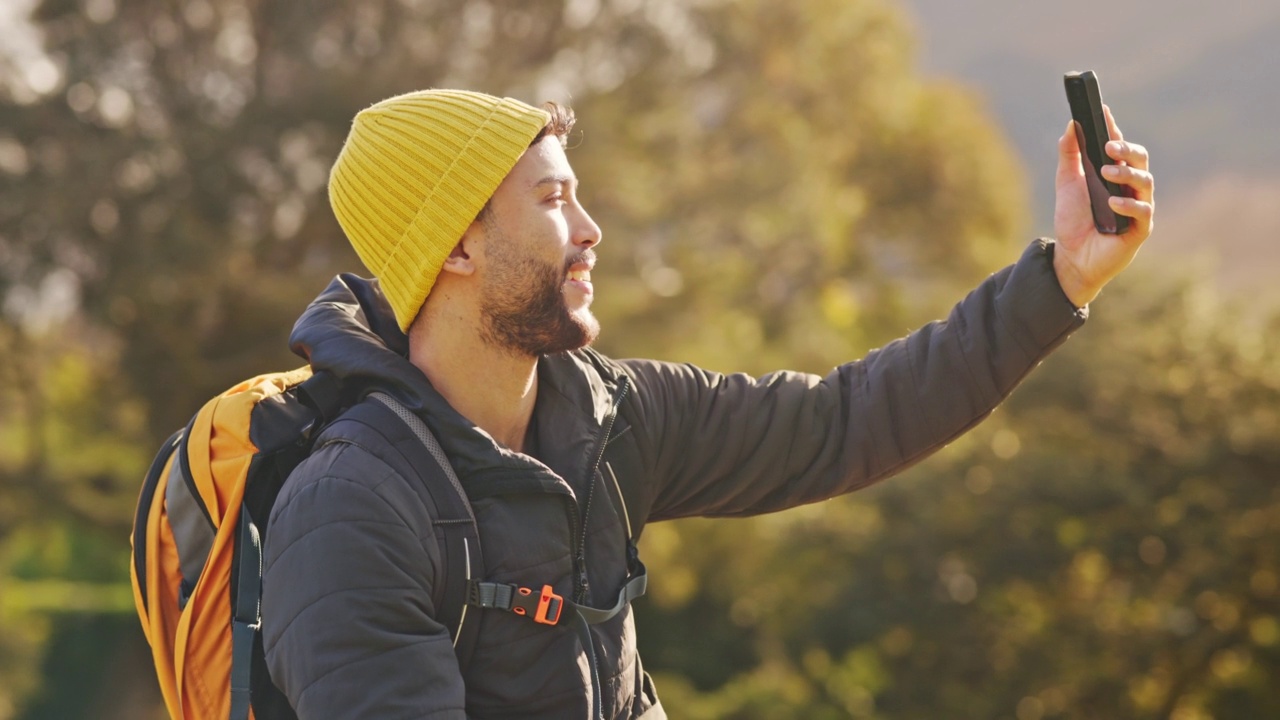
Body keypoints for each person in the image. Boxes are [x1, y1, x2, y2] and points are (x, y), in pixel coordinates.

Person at [261, 88, 1154, 719]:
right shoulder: (347, 513)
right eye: (553, 199)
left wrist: (1063, 279)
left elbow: (848, 419)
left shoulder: (614, 416)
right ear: (457, 250)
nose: (588, 230)